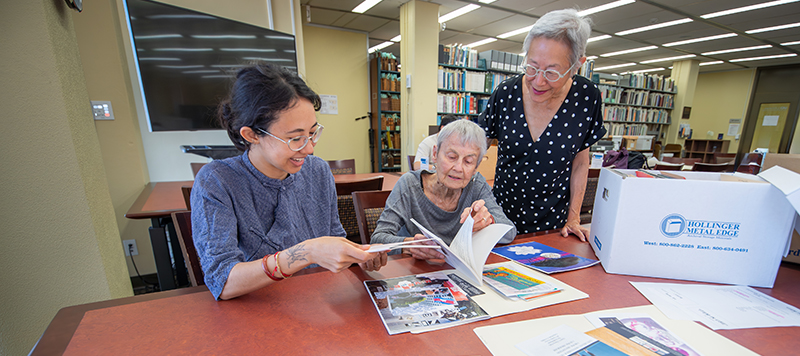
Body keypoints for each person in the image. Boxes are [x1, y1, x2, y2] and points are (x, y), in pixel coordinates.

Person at [191, 63, 387, 300]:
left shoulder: (318, 171)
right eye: (295, 138)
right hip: (257, 314)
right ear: (252, 135)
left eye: (312, 133)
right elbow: (222, 282)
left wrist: (356, 257)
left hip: (318, 305)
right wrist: (307, 252)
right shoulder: (217, 181)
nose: (310, 149)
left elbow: (334, 239)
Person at [476, 9, 606, 241]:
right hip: (498, 220)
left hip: (554, 227)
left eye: (551, 72)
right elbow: (476, 150)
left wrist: (574, 218)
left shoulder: (587, 98)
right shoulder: (506, 93)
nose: (538, 81)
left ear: (577, 66)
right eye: (532, 66)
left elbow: (580, 162)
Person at [371, 120, 516, 261]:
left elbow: (509, 232)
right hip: (416, 272)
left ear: (475, 168)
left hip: (459, 272)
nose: (458, 168)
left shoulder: (476, 184)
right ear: (435, 154)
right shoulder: (410, 185)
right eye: (452, 157)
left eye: (468, 162)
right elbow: (378, 238)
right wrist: (410, 245)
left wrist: (488, 222)